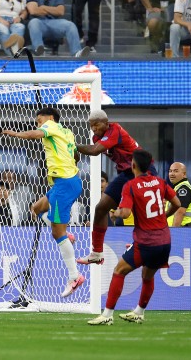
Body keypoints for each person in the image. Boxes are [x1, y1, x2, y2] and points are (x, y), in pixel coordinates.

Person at [87, 149, 181, 326]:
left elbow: (126, 212)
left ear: (133, 165)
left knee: (119, 270)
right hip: (165, 240)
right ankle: (139, 312)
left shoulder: (131, 185)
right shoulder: (160, 182)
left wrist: (116, 213)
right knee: (147, 274)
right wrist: (164, 216)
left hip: (146, 241)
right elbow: (177, 203)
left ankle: (107, 315)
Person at [2, 107, 84, 298]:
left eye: (40, 119)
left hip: (64, 184)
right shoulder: (68, 132)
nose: (38, 122)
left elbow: (35, 135)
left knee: (57, 234)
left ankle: (74, 276)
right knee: (36, 208)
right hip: (65, 182)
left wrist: (15, 133)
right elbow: (75, 155)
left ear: (51, 118)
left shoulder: (51, 126)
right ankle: (65, 233)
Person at [75, 109, 150, 265]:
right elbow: (91, 149)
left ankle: (143, 244)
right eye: (91, 126)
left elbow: (94, 151)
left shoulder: (115, 130)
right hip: (126, 173)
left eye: (96, 124)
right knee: (101, 208)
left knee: (143, 209)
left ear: (106, 123)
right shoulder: (98, 137)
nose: (94, 129)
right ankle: (96, 253)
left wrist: (73, 146)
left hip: (143, 170)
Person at [25, 0, 90, 57]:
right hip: (39, 24)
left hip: (54, 24)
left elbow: (60, 11)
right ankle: (38, 50)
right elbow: (33, 11)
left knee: (70, 25)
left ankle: (76, 52)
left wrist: (43, 7)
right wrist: (52, 10)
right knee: (34, 22)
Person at [166, 162, 191, 227]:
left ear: (184, 174)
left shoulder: (183, 189)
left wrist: (174, 232)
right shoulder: (177, 187)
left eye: (176, 171)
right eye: (170, 171)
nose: (172, 174)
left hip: (183, 230)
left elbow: (180, 213)